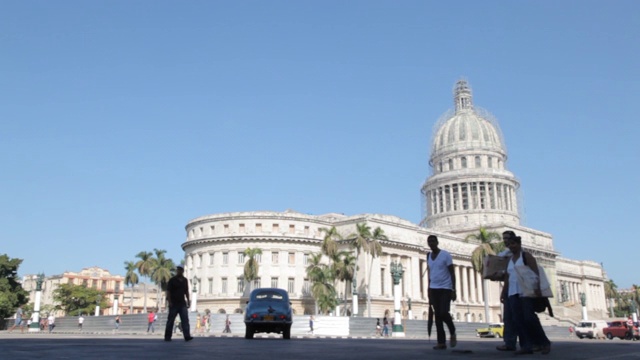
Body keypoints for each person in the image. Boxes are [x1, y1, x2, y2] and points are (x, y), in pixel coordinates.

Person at [504, 230, 551, 355]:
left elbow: (535, 273)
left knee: (529, 318)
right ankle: (526, 346)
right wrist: (504, 292)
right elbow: (508, 278)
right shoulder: (509, 260)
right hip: (513, 293)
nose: (512, 246)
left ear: (519, 244)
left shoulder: (526, 256)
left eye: (514, 243)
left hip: (526, 292)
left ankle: (544, 342)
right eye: (510, 244)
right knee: (518, 320)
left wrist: (537, 288)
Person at [426, 235, 457, 350]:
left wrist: (454, 289)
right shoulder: (428, 255)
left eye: (433, 241)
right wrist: (428, 289)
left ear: (437, 242)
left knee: (444, 312)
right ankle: (441, 342)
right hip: (434, 288)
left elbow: (452, 273)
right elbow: (431, 273)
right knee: (437, 316)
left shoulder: (445, 255)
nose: (431, 243)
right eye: (429, 241)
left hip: (446, 288)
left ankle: (452, 330)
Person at [164, 265, 193, 342]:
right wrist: (169, 302)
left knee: (185, 320)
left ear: (183, 271)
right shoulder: (172, 280)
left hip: (182, 303)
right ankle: (167, 336)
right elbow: (168, 291)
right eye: (178, 270)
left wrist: (188, 300)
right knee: (170, 320)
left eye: (180, 270)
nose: (179, 271)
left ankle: (187, 336)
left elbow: (186, 291)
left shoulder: (185, 280)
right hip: (173, 303)